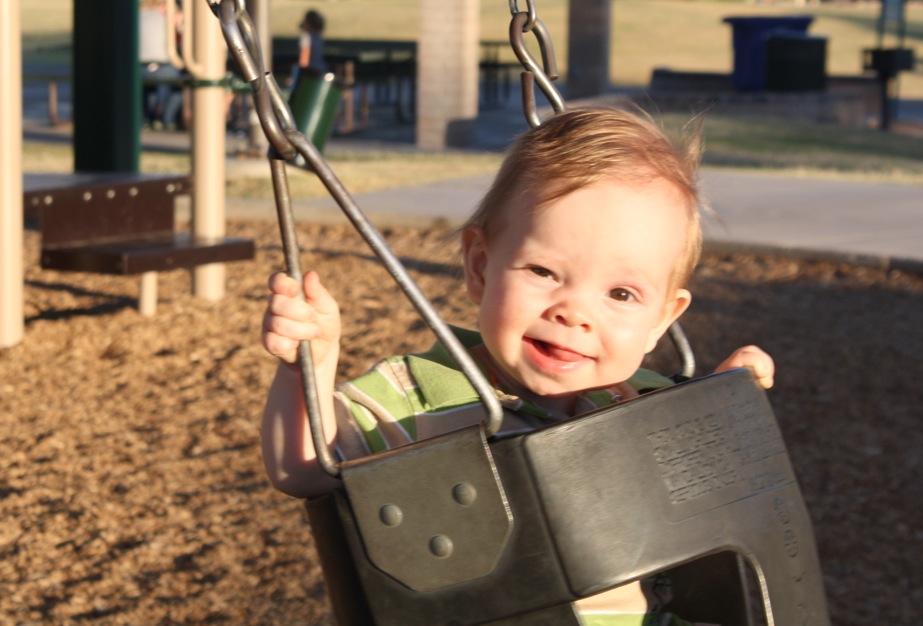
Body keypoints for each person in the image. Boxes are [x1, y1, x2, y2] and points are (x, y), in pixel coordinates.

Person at [260, 107, 775, 625]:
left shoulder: (643, 402)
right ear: (481, 267)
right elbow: (306, 470)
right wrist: (309, 365)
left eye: (620, 293)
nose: (573, 312)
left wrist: (721, 400)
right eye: (544, 271)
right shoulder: (416, 397)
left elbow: (702, 492)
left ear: (663, 318)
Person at [139, 0, 185, 129]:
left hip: (139, 66)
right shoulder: (169, 16)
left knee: (148, 89)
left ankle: (146, 119)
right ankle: (168, 119)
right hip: (163, 65)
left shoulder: (138, 16)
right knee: (179, 84)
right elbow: (180, 41)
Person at [290, 9, 327, 86]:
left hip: (309, 74)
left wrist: (295, 79)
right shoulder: (318, 37)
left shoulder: (306, 37)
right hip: (319, 72)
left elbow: (304, 61)